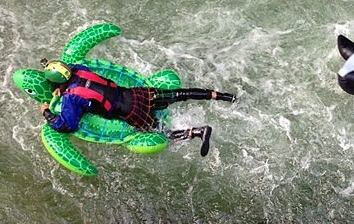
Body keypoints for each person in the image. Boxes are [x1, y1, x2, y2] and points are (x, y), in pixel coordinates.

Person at [38, 60, 236, 156]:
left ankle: (198, 132)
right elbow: (75, 69)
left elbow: (67, 125)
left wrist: (47, 111)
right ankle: (226, 97)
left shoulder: (70, 99)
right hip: (138, 94)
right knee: (180, 94)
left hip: (132, 113)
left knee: (163, 132)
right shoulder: (81, 69)